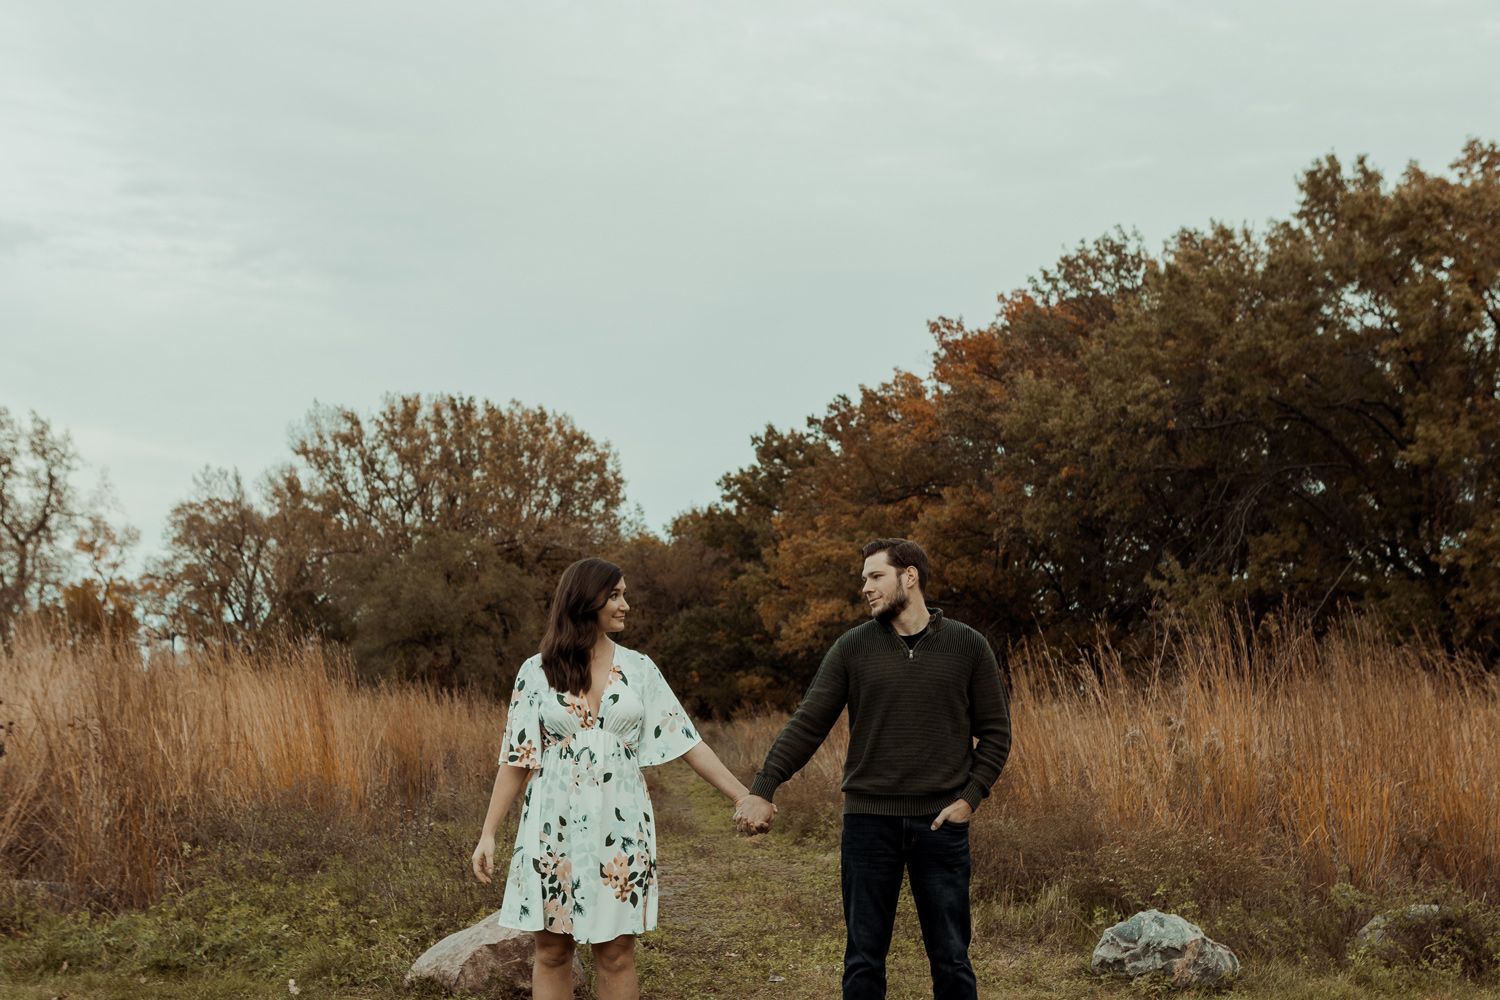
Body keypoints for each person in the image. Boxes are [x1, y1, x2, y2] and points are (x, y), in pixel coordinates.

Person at [733, 538, 1011, 1000]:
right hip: (867, 824)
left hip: (941, 825)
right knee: (863, 960)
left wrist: (970, 798)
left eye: (874, 576)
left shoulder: (968, 647)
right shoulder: (853, 648)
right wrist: (765, 787)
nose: (865, 587)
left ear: (909, 577)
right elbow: (808, 723)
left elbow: (997, 733)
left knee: (952, 959)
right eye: (863, 579)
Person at [472, 557, 750, 1000]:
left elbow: (687, 740)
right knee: (552, 951)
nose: (626, 604)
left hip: (620, 826)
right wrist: (488, 834)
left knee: (617, 952)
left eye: (624, 594)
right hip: (551, 824)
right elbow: (516, 757)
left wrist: (743, 796)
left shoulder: (640, 668)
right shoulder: (536, 671)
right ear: (587, 601)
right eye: (615, 595)